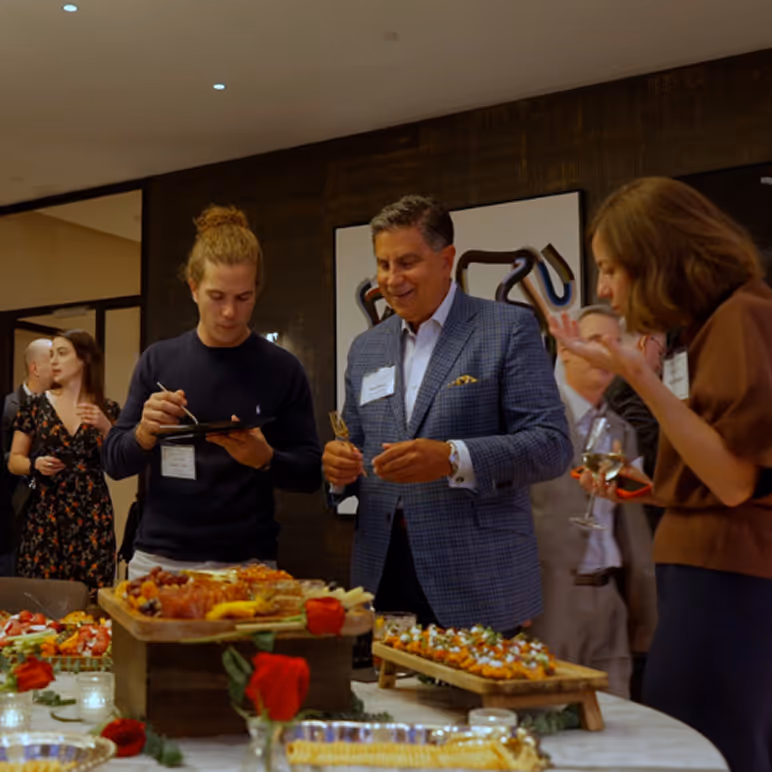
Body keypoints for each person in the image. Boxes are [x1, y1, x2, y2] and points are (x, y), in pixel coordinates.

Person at [551, 177, 772, 772]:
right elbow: (711, 471)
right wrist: (638, 486)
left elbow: (734, 482)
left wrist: (640, 379)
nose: (602, 288)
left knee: (708, 746)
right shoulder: (706, 327)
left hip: (725, 577)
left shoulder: (740, 317)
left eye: (609, 269)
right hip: (706, 571)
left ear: (655, 257)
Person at [322, 194, 572, 634]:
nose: (392, 279)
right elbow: (354, 443)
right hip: (383, 573)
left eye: (407, 262)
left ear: (447, 260)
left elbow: (551, 445)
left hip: (477, 578)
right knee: (392, 702)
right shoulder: (367, 348)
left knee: (472, 704)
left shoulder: (506, 329)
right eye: (383, 265)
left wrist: (454, 458)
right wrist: (339, 471)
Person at [103, 204, 321, 578]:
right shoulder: (159, 361)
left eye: (243, 298)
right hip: (159, 560)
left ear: (257, 290)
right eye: (217, 296)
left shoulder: (282, 368)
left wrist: (266, 457)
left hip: (247, 564)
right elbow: (114, 462)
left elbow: (310, 474)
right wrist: (142, 434)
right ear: (193, 288)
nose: (230, 313)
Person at [529, 305, 656, 698]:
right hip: (548, 603)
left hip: (609, 603)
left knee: (617, 728)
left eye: (615, 344)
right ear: (565, 350)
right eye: (596, 341)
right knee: (550, 723)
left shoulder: (622, 432)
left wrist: (644, 615)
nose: (607, 353)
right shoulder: (534, 425)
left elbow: (633, 532)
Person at [8, 331, 119, 595]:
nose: (54, 360)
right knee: (40, 596)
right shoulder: (34, 406)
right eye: (51, 354)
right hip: (46, 512)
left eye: (62, 353)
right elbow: (14, 461)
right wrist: (35, 465)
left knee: (91, 595)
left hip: (92, 512)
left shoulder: (108, 408)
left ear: (84, 359)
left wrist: (105, 426)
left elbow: (120, 462)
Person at [0, 339, 53, 576]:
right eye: (53, 360)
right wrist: (31, 467)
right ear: (35, 368)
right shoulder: (9, 406)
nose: (59, 367)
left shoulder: (57, 406)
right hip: (14, 503)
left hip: (46, 509)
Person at [605, 328, 666, 533]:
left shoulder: (615, 388)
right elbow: (653, 458)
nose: (660, 365)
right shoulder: (628, 392)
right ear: (645, 344)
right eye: (661, 353)